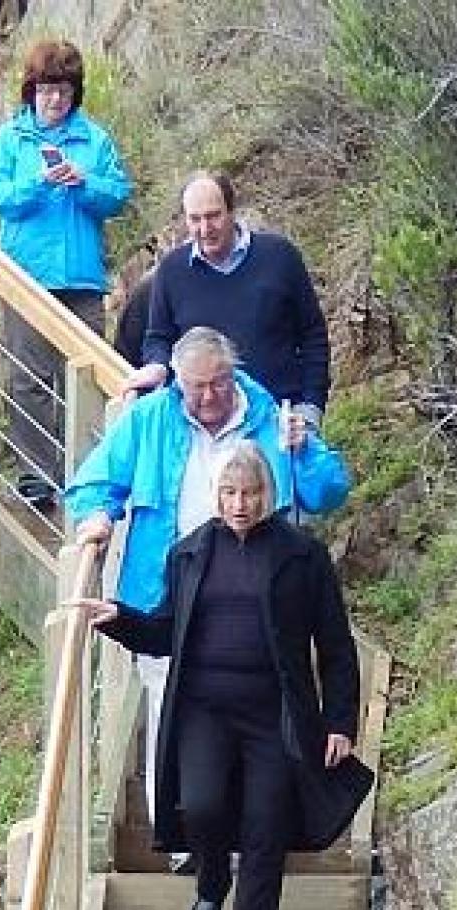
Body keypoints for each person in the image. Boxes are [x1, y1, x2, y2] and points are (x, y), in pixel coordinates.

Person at [78, 441, 371, 910]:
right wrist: (120, 619)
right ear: (215, 495)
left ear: (269, 494)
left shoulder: (302, 555)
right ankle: (211, 880)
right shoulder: (190, 553)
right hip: (203, 711)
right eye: (230, 493)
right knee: (204, 804)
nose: (240, 504)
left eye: (251, 493)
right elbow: (168, 631)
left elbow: (334, 644)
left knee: (266, 832)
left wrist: (339, 721)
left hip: (275, 717)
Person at [66, 327, 350, 817]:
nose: (208, 396)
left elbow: (327, 494)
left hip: (256, 597)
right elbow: (95, 481)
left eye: (218, 382)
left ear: (232, 372)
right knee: (168, 704)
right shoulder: (150, 418)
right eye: (195, 386)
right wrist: (97, 516)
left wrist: (303, 451)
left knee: (257, 714)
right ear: (177, 380)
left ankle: (244, 833)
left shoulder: (268, 416)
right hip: (166, 592)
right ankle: (178, 836)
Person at [0, 39, 131, 510]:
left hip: (81, 280)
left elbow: (118, 194)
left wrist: (84, 184)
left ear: (74, 93)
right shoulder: (11, 139)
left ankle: (88, 472)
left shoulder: (94, 140)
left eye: (63, 89)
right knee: (30, 378)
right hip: (25, 278)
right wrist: (39, 184)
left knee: (84, 376)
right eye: (46, 89)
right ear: (31, 90)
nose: (55, 99)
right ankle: (38, 477)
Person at [124, 172, 330, 426]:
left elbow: (313, 335)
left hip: (278, 421)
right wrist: (158, 365)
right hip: (203, 429)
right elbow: (158, 338)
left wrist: (310, 407)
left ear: (232, 211)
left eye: (213, 216)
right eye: (195, 219)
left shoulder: (280, 257)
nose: (205, 229)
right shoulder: (171, 270)